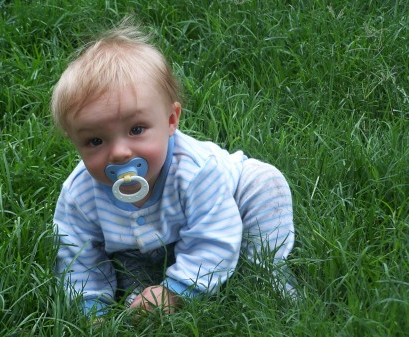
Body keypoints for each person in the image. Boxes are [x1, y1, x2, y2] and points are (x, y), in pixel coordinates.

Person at [51, 18, 295, 317]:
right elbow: (77, 256)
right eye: (95, 140)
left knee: (265, 182)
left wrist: (177, 291)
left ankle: (266, 273)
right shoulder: (79, 194)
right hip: (151, 242)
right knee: (129, 274)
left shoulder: (196, 172)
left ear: (170, 120)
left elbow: (213, 236)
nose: (119, 152)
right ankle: (145, 291)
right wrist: (92, 311)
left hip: (227, 207)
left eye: (137, 129)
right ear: (75, 141)